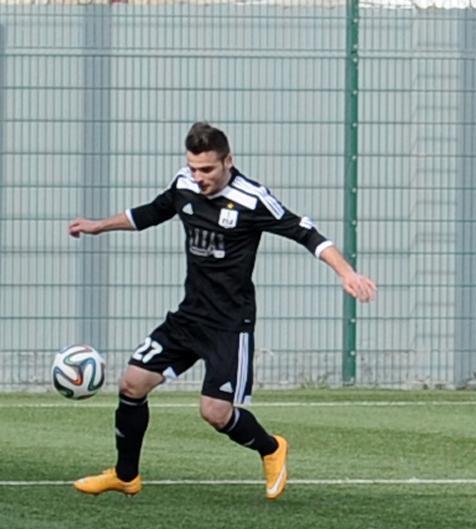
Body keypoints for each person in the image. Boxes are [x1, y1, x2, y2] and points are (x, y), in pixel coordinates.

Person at [68, 122, 376, 501]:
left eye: (207, 169)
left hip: (230, 325)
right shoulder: (184, 183)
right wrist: (99, 226)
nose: (199, 177)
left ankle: (271, 448)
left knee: (214, 412)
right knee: (132, 383)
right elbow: (151, 212)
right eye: (193, 168)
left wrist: (347, 273)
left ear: (228, 161)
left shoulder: (252, 199)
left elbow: (307, 233)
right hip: (189, 316)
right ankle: (125, 475)